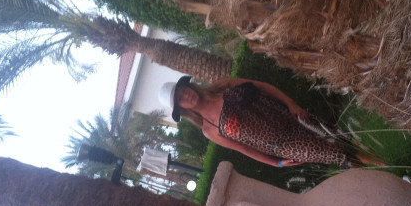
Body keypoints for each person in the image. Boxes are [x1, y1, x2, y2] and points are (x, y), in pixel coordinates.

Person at [159, 75, 378, 168]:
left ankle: (379, 162)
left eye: (183, 90)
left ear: (189, 86)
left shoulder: (222, 86)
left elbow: (262, 86)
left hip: (287, 116)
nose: (186, 95)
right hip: (282, 144)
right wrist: (276, 163)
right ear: (182, 109)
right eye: (180, 99)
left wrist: (291, 104)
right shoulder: (209, 129)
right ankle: (381, 168)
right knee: (332, 153)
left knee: (334, 136)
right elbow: (244, 149)